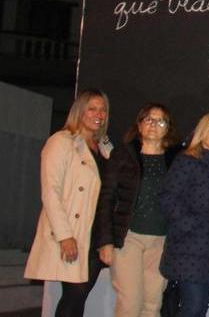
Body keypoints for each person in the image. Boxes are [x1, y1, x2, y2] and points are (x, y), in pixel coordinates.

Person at [25, 90, 113, 317]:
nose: (99, 114)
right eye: (92, 108)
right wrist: (64, 235)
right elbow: (50, 192)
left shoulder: (104, 147)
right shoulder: (61, 142)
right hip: (72, 233)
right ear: (79, 111)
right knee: (74, 296)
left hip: (94, 235)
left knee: (80, 296)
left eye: (102, 109)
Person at [95, 102, 180, 317]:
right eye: (148, 119)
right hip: (128, 237)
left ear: (168, 127)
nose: (154, 125)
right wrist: (105, 241)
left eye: (160, 121)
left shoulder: (176, 160)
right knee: (130, 303)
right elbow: (106, 198)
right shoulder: (123, 155)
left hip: (161, 240)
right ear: (139, 124)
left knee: (152, 304)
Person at [160, 111, 209, 317]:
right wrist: (191, 224)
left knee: (199, 308)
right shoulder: (187, 161)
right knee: (193, 308)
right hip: (187, 249)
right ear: (202, 131)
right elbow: (167, 197)